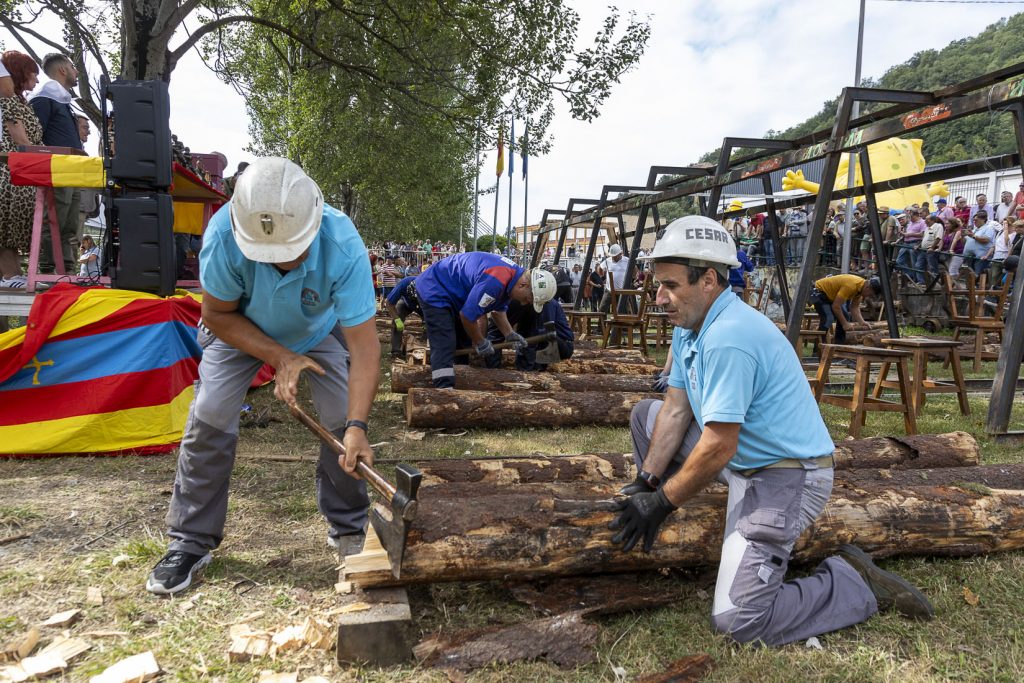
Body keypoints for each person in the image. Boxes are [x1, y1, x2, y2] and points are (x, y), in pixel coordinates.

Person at [609, 214, 932, 647]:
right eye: (658, 285)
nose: (660, 297)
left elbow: (720, 444)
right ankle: (696, 534)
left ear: (708, 279)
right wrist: (646, 482)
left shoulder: (729, 336)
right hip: (742, 460)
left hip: (786, 474)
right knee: (645, 414)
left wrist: (662, 503)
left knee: (739, 621)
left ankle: (851, 581)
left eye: (670, 286)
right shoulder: (690, 326)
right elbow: (674, 410)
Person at [146, 157, 380, 595]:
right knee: (211, 413)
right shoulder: (222, 235)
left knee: (339, 415)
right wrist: (278, 355)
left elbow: (365, 347)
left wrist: (358, 426)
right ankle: (191, 541)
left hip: (314, 329)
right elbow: (216, 314)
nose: (284, 263)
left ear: (313, 226)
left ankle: (349, 527)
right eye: (270, 256)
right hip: (239, 330)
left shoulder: (343, 243)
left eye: (294, 252)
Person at [414, 252, 556, 388]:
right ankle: (443, 390)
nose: (525, 303)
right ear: (523, 285)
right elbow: (468, 316)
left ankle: (460, 378)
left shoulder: (512, 279)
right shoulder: (496, 280)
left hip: (453, 293)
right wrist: (480, 341)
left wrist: (509, 334)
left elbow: (497, 310)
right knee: (445, 340)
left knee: (463, 340)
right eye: (527, 299)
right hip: (434, 287)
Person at [30, 53, 84, 275]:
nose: (76, 71)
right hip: (56, 168)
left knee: (70, 223)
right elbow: (35, 134)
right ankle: (47, 269)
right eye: (72, 66)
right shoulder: (44, 97)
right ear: (62, 70)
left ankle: (68, 269)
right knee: (53, 219)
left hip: (72, 169)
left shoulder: (62, 99)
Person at [0, 51, 42, 289]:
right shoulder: (7, 100)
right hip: (10, 169)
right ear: (19, 72)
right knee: (5, 225)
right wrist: (40, 159)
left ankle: (12, 274)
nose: (36, 79)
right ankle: (10, 275)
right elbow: (19, 137)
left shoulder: (19, 100)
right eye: (33, 72)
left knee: (13, 228)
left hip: (20, 169)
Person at [485, 298, 574, 371]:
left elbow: (543, 333)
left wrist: (528, 368)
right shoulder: (527, 302)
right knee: (529, 333)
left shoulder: (547, 303)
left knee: (540, 333)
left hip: (562, 345)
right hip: (549, 340)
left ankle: (534, 369)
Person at [809, 273, 882, 344]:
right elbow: (835, 307)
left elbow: (854, 308)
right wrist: (844, 324)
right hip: (818, 292)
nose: (869, 296)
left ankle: (838, 346)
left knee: (845, 316)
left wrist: (862, 322)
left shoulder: (860, 288)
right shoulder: (851, 286)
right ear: (867, 288)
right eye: (870, 294)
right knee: (828, 318)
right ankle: (817, 350)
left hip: (830, 297)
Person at [384, 275, 422, 357]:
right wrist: (397, 319)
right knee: (396, 319)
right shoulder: (403, 283)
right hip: (406, 303)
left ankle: (428, 347)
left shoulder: (428, 286)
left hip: (423, 305)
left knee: (430, 324)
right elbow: (389, 303)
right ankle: (396, 350)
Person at [963, 210, 999, 279]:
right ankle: (970, 287)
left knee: (977, 275)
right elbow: (965, 242)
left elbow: (986, 240)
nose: (974, 222)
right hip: (970, 257)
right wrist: (962, 236)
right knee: (970, 275)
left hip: (981, 258)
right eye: (973, 220)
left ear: (983, 220)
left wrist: (973, 236)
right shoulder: (974, 229)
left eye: (976, 220)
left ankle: (975, 288)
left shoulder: (989, 228)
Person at [598, 244, 629, 313]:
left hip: (622, 290)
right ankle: (601, 323)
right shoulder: (607, 261)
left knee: (622, 310)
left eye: (615, 256)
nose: (613, 258)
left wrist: (632, 278)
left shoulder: (627, 260)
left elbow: (634, 268)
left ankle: (621, 323)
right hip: (609, 290)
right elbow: (600, 267)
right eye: (612, 256)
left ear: (620, 254)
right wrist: (602, 276)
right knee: (602, 309)